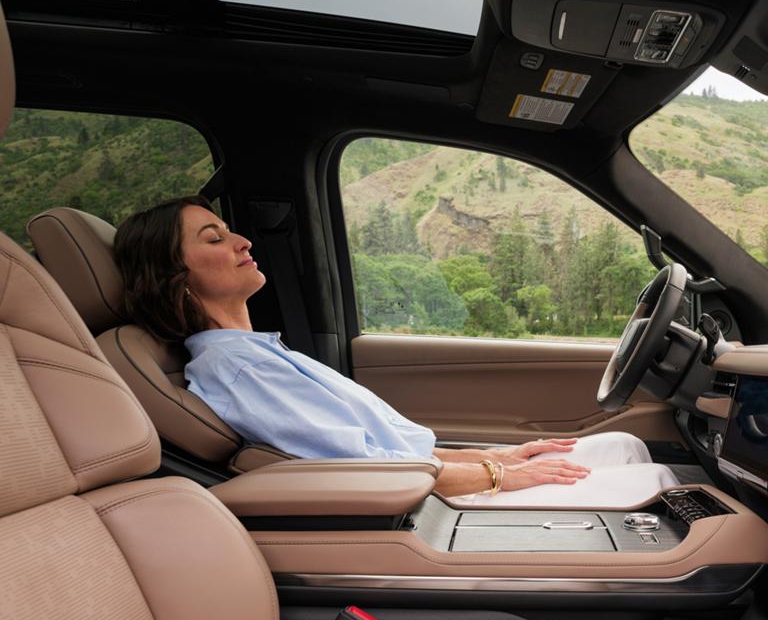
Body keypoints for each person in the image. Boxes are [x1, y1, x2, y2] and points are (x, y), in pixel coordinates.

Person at [114, 195, 679, 504]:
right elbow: (364, 469)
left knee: (624, 444)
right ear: (173, 275)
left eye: (230, 230)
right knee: (651, 484)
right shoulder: (233, 366)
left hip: (434, 481)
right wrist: (497, 478)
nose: (242, 241)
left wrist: (504, 457)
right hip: (427, 505)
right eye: (213, 239)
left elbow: (389, 447)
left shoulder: (257, 352)